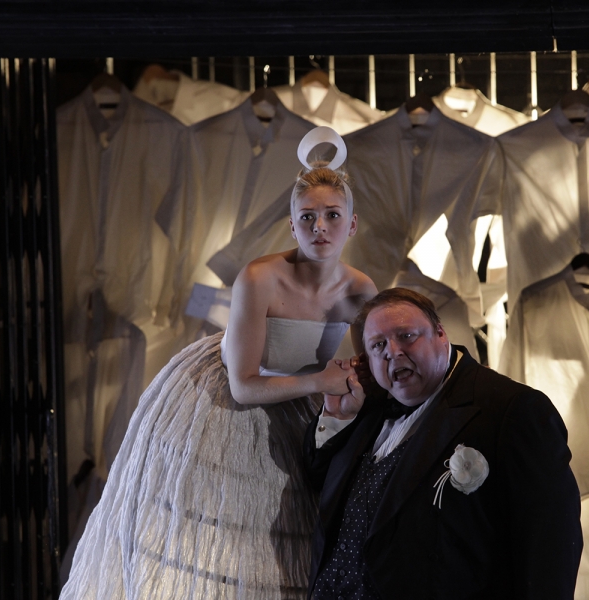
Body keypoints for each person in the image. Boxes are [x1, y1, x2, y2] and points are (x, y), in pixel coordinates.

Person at [60, 126, 377, 600]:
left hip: (302, 399)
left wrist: (345, 391)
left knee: (291, 532)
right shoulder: (260, 277)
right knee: (215, 536)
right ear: (292, 226)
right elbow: (244, 385)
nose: (320, 227)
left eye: (333, 215)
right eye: (307, 217)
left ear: (351, 225)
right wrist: (321, 381)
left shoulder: (360, 289)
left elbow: (368, 370)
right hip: (228, 395)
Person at [304, 288, 583, 599]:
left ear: (440, 333)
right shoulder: (365, 407)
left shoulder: (512, 409)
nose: (392, 352)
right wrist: (337, 416)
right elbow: (316, 482)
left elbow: (551, 546)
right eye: (378, 345)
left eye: (406, 336)